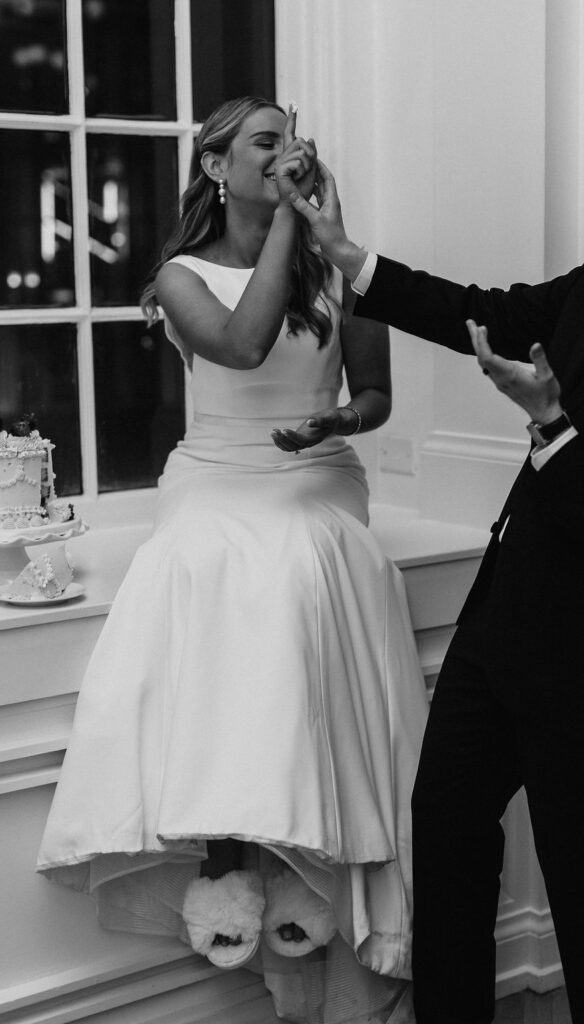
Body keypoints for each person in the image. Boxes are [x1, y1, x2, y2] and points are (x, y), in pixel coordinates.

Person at [36, 97, 427, 1024]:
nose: (288, 153)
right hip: (216, 473)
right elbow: (246, 345)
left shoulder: (343, 268)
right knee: (210, 566)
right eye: (266, 142)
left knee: (301, 568)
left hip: (316, 474)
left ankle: (307, 864)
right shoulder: (179, 275)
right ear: (216, 167)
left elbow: (373, 394)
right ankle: (231, 862)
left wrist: (340, 419)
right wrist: (295, 218)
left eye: (296, 140)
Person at [285, 121, 584, 1024]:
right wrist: (346, 253)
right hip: (502, 621)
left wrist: (553, 427)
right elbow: (491, 312)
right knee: (449, 831)